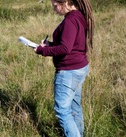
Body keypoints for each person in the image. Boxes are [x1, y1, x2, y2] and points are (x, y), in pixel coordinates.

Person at [34, 0, 94, 137]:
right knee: (74, 107)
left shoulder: (70, 21)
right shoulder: (78, 16)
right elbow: (71, 43)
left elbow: (65, 48)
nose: (54, 10)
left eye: (55, 6)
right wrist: (50, 44)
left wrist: (41, 51)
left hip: (69, 71)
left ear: (66, 2)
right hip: (79, 67)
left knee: (62, 110)